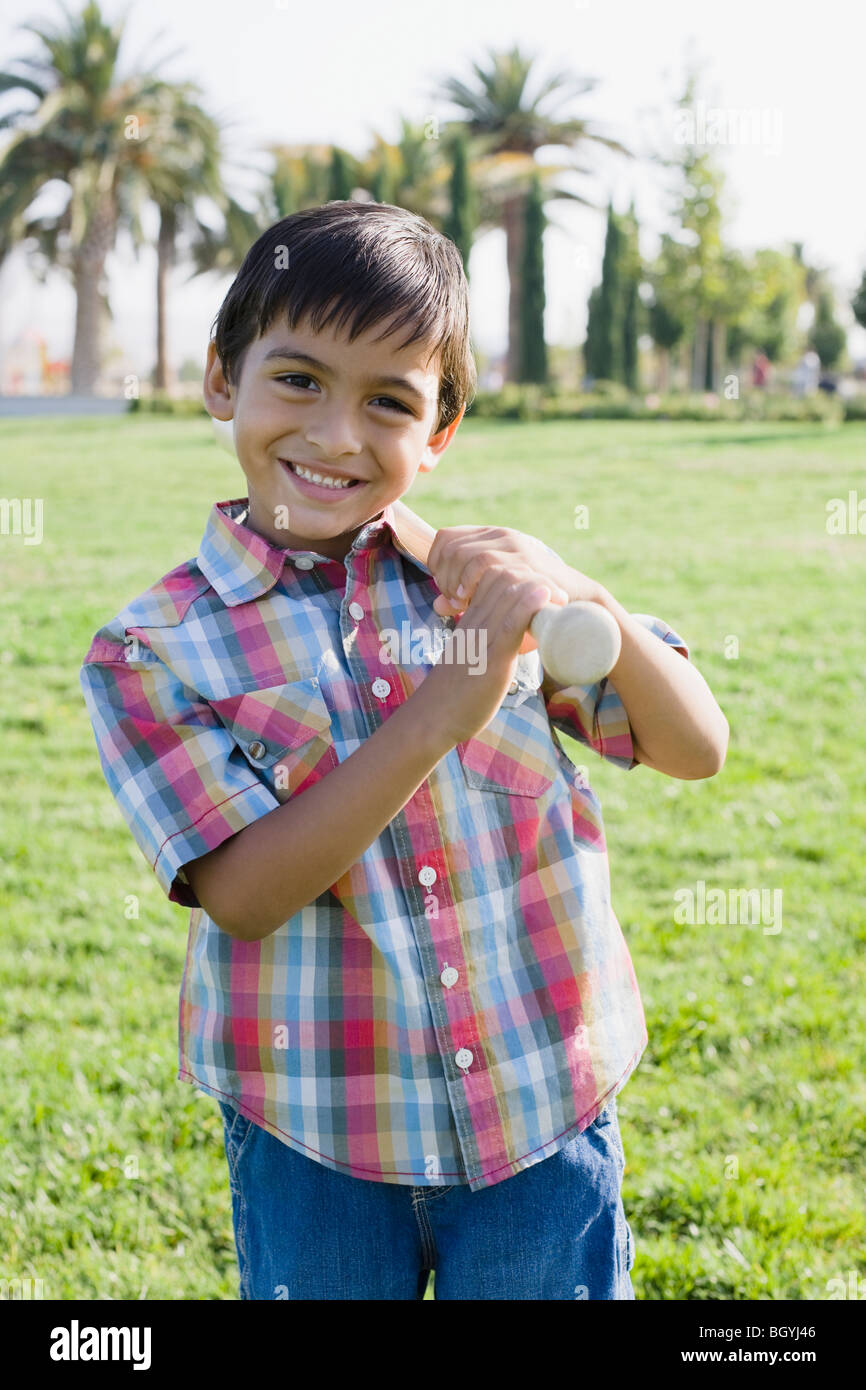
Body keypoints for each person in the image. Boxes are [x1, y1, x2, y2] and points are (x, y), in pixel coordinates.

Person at [79, 200, 728, 1301]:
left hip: (536, 1115)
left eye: (388, 400)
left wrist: (582, 593)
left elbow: (692, 745)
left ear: (437, 435)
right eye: (298, 379)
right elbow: (242, 894)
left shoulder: (481, 589)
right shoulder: (155, 648)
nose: (336, 435)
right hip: (316, 1136)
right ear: (220, 379)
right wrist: (441, 712)